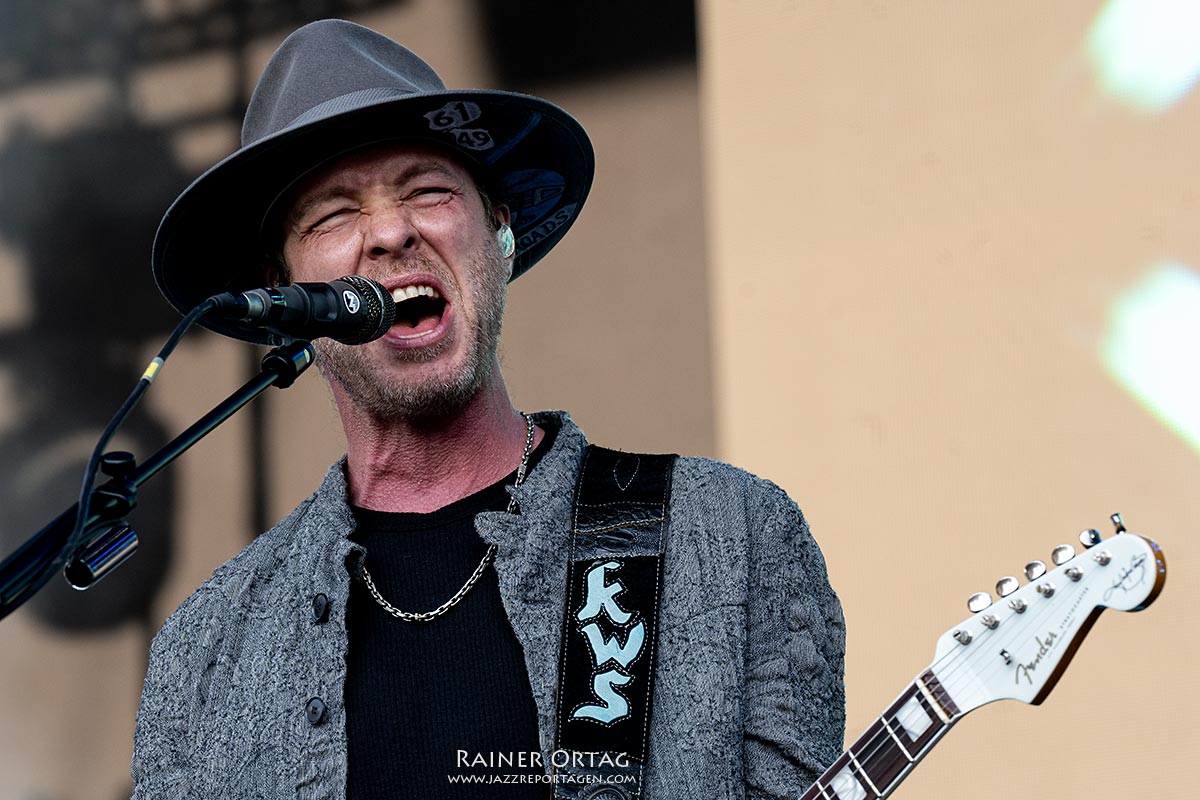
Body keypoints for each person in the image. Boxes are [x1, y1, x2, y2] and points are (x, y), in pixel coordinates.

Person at [132, 19, 844, 800]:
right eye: (333, 215)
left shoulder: (730, 536)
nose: (391, 231)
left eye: (428, 191)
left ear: (498, 230)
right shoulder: (204, 654)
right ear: (288, 299)